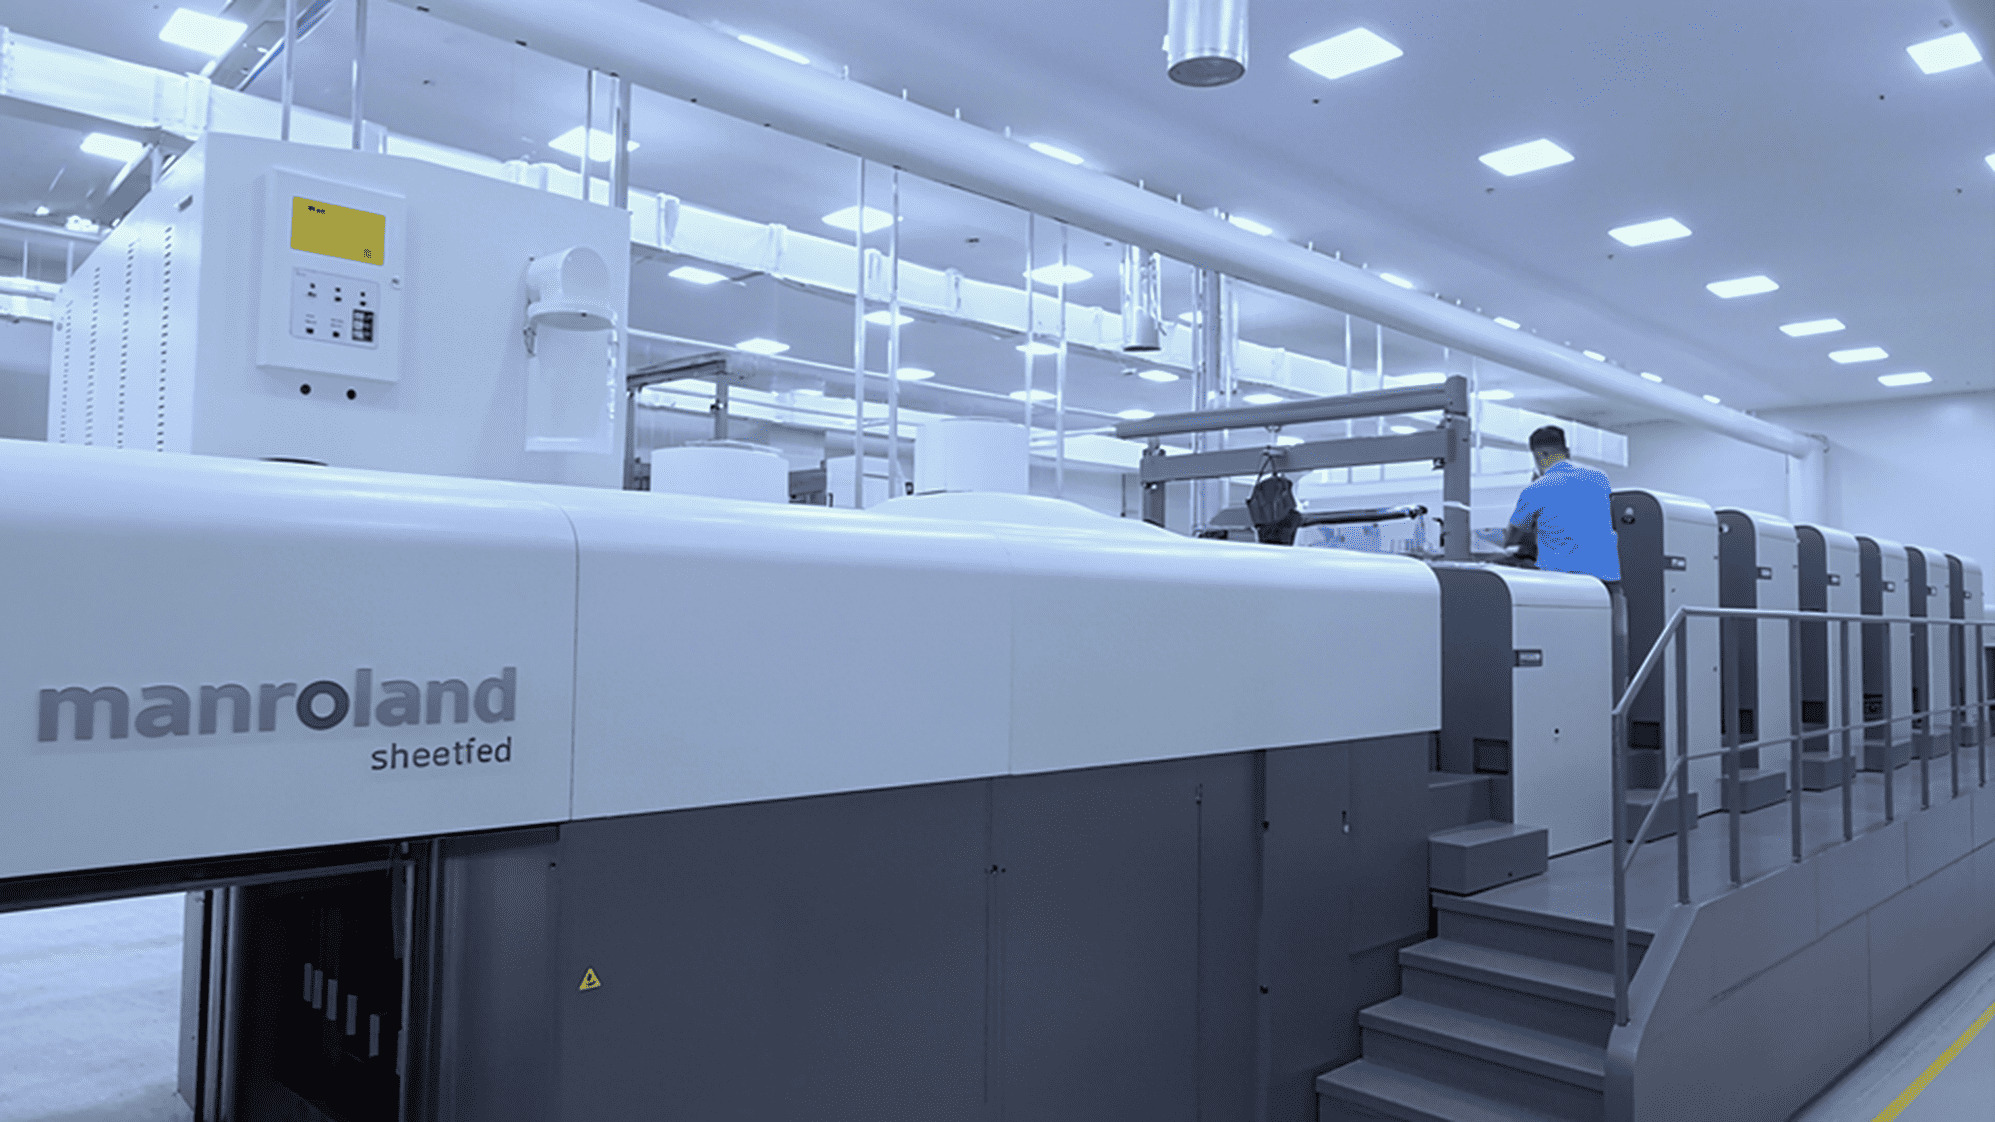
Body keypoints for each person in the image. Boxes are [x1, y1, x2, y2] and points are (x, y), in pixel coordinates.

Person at [1506, 425, 1628, 698]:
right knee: (1608, 651)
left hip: (1564, 585)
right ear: (1567, 451)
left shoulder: (1536, 488)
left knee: (1566, 654)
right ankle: (1611, 707)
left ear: (1540, 455)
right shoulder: (1599, 478)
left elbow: (1512, 536)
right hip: (1607, 583)